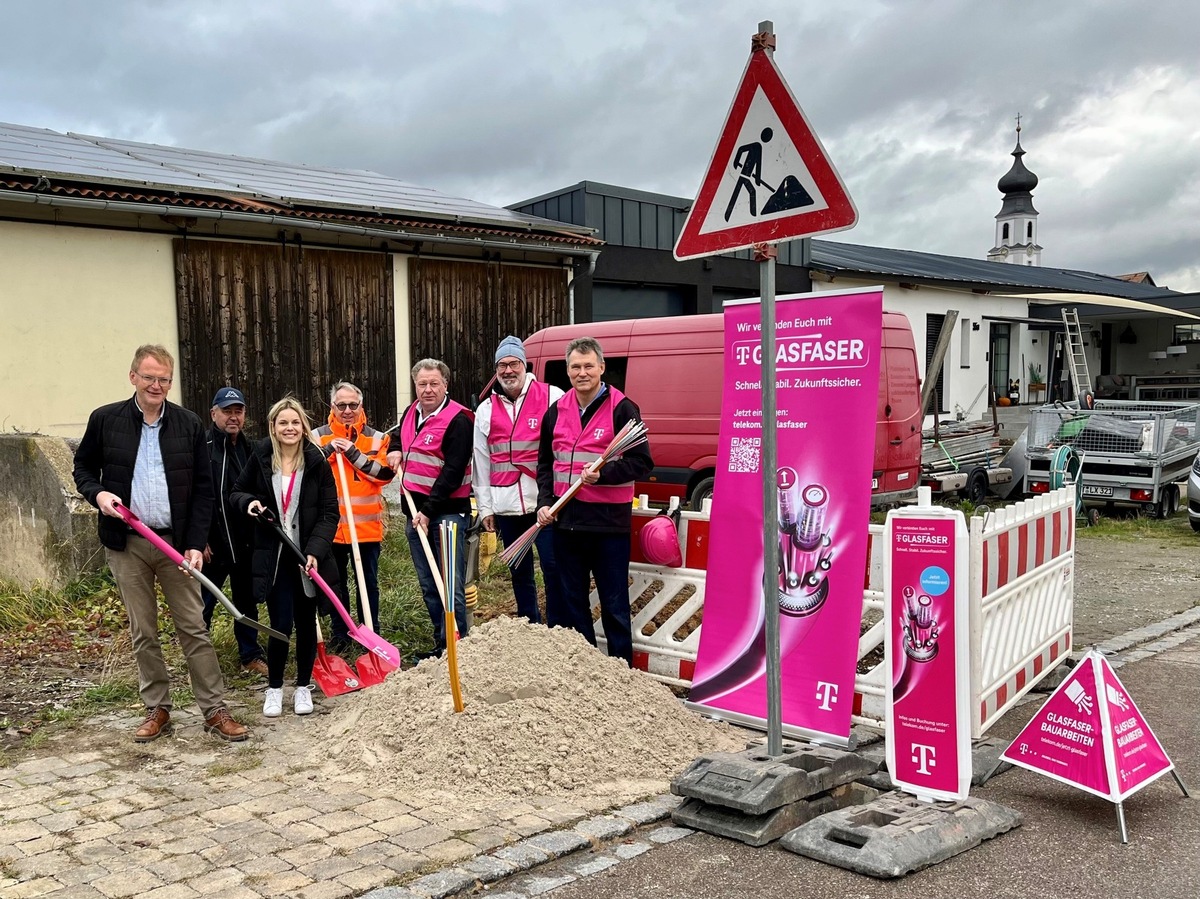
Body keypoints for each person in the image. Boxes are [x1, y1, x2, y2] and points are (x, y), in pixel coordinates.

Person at [72, 344, 248, 742]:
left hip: (175, 545)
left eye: (164, 379)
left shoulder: (187, 425)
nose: (156, 385)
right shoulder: (105, 420)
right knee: (143, 630)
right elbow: (82, 467)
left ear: (170, 382)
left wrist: (195, 543)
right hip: (127, 543)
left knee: (193, 626)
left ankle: (214, 709)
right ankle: (157, 708)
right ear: (133, 376)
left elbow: (203, 491)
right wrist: (98, 495)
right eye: (149, 377)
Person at [537, 337, 652, 665]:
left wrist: (605, 474)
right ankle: (588, 671)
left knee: (614, 605)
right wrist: (545, 501)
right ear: (567, 370)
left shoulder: (622, 408)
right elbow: (545, 464)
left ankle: (621, 673)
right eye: (576, 366)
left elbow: (642, 462)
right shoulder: (556, 411)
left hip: (607, 526)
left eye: (589, 366)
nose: (582, 372)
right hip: (566, 523)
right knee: (574, 603)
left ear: (602, 368)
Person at [231, 397, 340, 717]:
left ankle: (303, 687)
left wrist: (315, 551)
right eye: (283, 423)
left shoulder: (315, 460)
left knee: (307, 623)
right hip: (275, 557)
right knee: (280, 624)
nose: (289, 428)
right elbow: (237, 492)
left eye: (295, 422)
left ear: (303, 426)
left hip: (306, 557)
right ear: (273, 428)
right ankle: (275, 688)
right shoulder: (262, 455)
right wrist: (249, 502)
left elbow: (328, 513)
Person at [473, 335, 564, 623]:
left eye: (513, 363)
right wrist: (485, 508)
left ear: (525, 365)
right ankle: (529, 625)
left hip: (546, 505)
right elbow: (481, 461)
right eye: (502, 365)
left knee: (553, 566)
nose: (508, 371)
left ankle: (558, 626)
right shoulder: (485, 409)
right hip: (507, 507)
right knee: (519, 570)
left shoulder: (552, 396)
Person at [387, 359, 472, 655]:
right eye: (422, 384)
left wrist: (428, 511)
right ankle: (442, 645)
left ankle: (459, 649)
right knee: (428, 584)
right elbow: (399, 433)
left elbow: (453, 471)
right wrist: (394, 448)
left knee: (450, 587)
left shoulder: (458, 419)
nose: (428, 389)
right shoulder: (412, 412)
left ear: (445, 385)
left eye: (434, 383)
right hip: (416, 513)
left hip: (446, 514)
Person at [314, 381, 395, 648]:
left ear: (361, 406)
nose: (347, 410)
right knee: (336, 583)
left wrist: (352, 453)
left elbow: (384, 474)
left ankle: (371, 631)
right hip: (332, 528)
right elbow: (309, 471)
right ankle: (342, 633)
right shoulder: (316, 437)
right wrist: (328, 452)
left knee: (367, 583)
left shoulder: (377, 438)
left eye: (353, 405)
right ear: (332, 407)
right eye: (341, 405)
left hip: (366, 528)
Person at [201, 386, 267, 676]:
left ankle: (250, 655)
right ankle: (199, 661)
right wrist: (197, 538)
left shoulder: (252, 450)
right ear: (213, 413)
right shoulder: (201, 449)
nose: (233, 417)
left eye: (238, 411)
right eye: (226, 411)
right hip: (211, 545)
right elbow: (192, 496)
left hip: (245, 544)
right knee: (202, 605)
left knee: (246, 602)